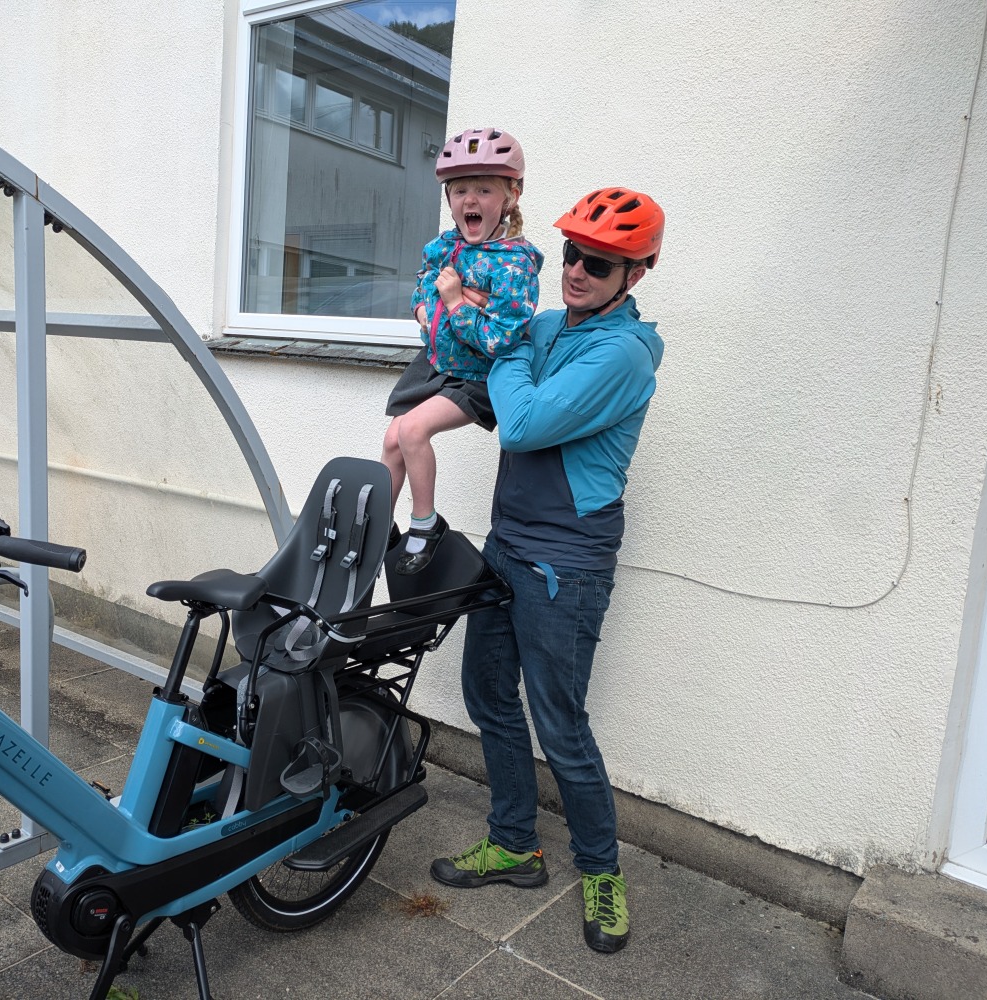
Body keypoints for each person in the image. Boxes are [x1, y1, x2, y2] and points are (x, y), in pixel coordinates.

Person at [429, 186, 666, 955]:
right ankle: (514, 845)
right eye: (569, 252)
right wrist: (456, 299)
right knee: (489, 694)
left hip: (566, 564)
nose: (575, 270)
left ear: (636, 274)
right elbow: (476, 349)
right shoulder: (549, 326)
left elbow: (523, 421)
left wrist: (506, 350)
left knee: (561, 726)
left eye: (598, 262)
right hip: (507, 543)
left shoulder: (621, 353)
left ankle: (601, 872)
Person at [382, 127, 542, 574]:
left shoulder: (514, 262)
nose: (470, 200)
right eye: (460, 190)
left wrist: (454, 305)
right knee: (393, 440)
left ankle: (425, 525)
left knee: (413, 431)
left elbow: (502, 339)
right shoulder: (446, 245)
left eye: (484, 190)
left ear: (511, 195)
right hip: (435, 363)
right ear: (449, 198)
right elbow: (422, 280)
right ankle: (376, 529)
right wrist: (423, 308)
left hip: (476, 378)